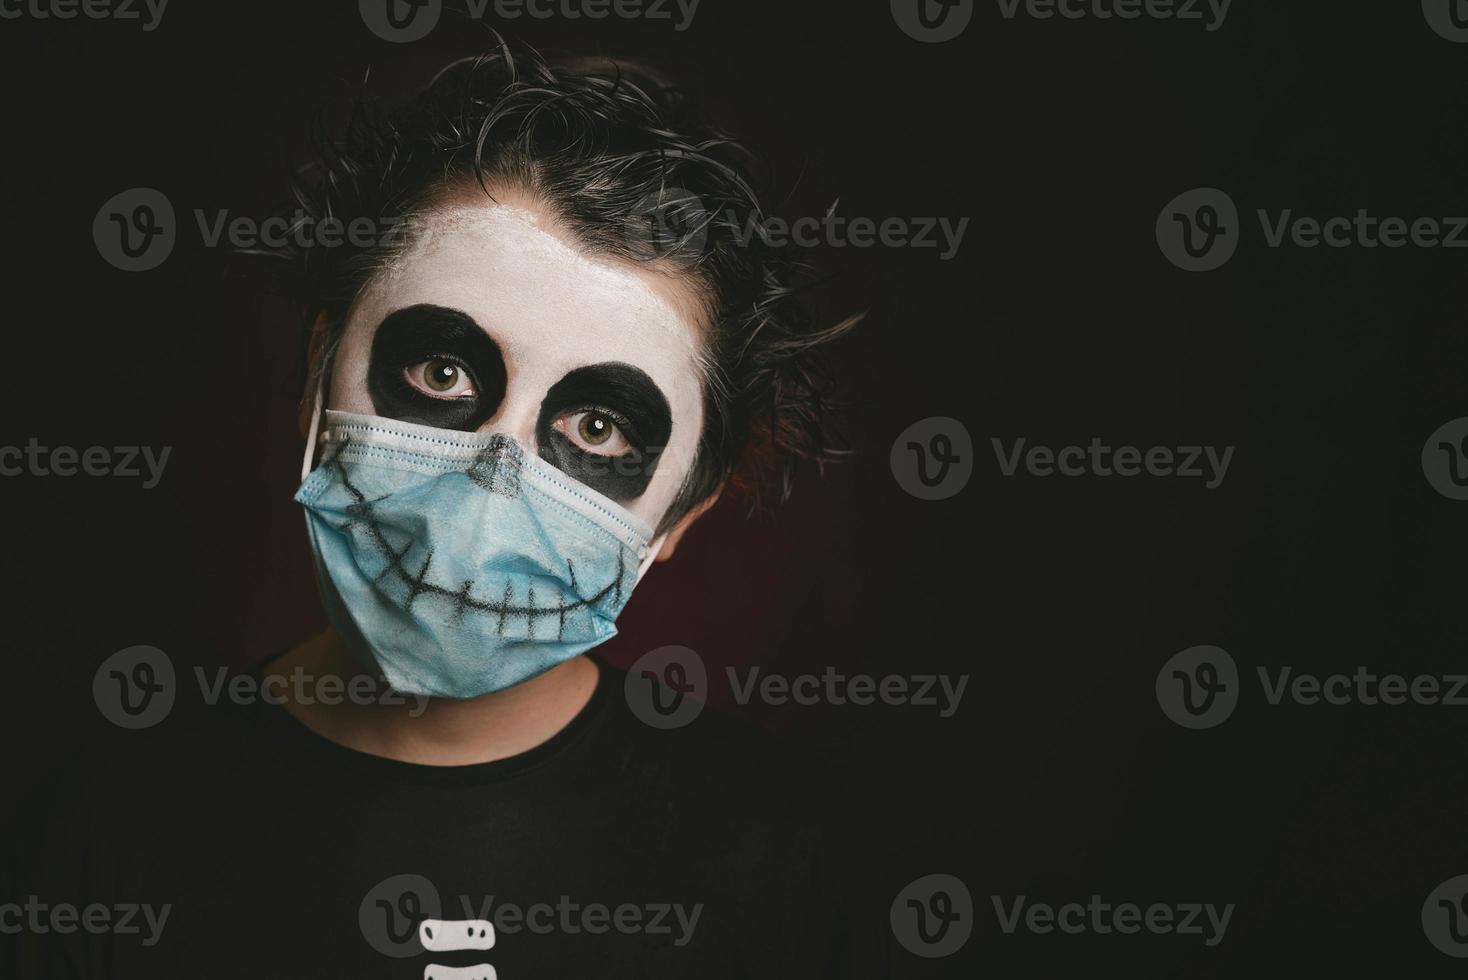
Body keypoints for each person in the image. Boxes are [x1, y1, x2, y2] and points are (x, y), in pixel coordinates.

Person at [4, 38, 896, 979]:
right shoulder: (100, 830)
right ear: (318, 373)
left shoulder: (781, 863)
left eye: (597, 428)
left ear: (678, 515)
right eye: (443, 371)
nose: (492, 479)